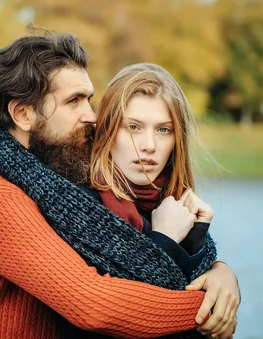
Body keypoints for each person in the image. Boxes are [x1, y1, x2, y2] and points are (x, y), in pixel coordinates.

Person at [0, 31, 240, 339]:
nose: (92, 116)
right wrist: (211, 308)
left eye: (89, 99)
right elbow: (95, 306)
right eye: (74, 101)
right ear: (23, 114)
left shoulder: (59, 185)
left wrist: (219, 271)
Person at [59, 63, 230, 338]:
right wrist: (164, 239)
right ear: (108, 132)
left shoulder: (173, 208)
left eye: (164, 130)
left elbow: (199, 321)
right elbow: (105, 320)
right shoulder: (76, 207)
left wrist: (207, 256)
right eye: (134, 127)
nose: (149, 144)